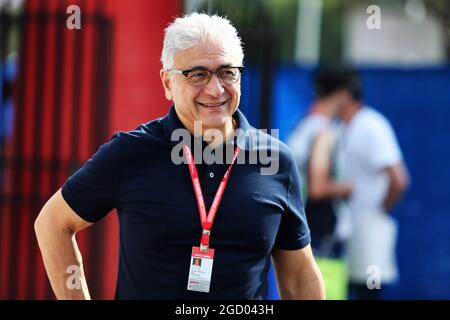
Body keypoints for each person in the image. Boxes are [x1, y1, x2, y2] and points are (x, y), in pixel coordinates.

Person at [34, 13, 325, 300]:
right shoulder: (131, 153)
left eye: (227, 72)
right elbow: (52, 224)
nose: (215, 89)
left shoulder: (274, 160)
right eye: (197, 74)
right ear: (167, 83)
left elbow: (299, 276)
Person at [331, 66, 409, 300]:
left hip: (369, 228)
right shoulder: (341, 128)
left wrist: (378, 209)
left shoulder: (372, 125)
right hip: (349, 231)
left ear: (344, 95)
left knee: (370, 293)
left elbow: (399, 179)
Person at [287, 67, 353, 258]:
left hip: (305, 226)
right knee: (324, 288)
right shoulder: (323, 131)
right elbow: (317, 188)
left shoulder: (303, 124)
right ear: (342, 94)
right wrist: (348, 189)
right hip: (322, 230)